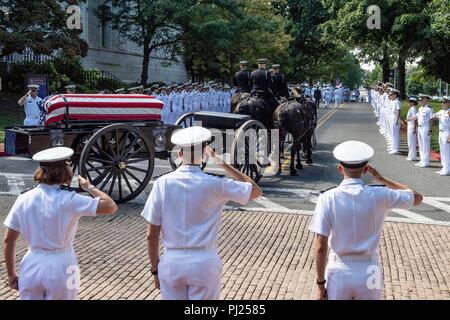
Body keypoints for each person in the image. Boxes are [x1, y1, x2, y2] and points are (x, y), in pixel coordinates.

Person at [141, 127, 262, 300]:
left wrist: (155, 269)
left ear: (180, 154)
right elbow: (256, 191)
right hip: (204, 261)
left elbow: (151, 236)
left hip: (172, 261)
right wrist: (222, 163)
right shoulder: (216, 184)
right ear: (204, 154)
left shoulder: (162, 183)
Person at [309, 140, 423, 300]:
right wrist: (383, 179)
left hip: (339, 269)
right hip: (370, 269)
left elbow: (320, 248)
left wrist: (321, 285)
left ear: (340, 169)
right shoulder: (381, 195)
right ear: (366, 169)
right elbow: (417, 197)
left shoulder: (327, 198)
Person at [3, 147, 118, 300]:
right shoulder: (70, 199)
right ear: (66, 171)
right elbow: (111, 206)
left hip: (31, 263)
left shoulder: (23, 198)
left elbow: (8, 240)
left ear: (41, 171)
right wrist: (89, 187)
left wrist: (11, 273)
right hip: (63, 264)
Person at [431, 96, 450, 175]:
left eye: (444, 102)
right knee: (442, 150)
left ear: (449, 103)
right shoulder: (441, 111)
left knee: (447, 151)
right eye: (442, 102)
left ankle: (448, 169)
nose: (443, 104)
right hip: (440, 133)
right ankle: (444, 167)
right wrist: (434, 116)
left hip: (447, 132)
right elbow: (434, 116)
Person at [414, 94, 434, 168]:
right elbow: (416, 117)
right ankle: (422, 160)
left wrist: (430, 129)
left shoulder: (429, 109)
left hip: (426, 128)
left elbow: (431, 119)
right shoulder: (420, 108)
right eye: (420, 99)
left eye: (422, 99)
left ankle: (426, 162)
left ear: (426, 100)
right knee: (421, 145)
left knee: (425, 145)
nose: (420, 100)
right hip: (419, 128)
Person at [387, 89, 401, 155]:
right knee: (392, 134)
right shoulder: (393, 101)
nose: (390, 96)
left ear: (395, 95)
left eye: (391, 95)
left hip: (395, 119)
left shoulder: (397, 101)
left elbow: (399, 111)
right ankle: (393, 148)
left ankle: (396, 149)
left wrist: (397, 120)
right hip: (392, 118)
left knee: (395, 135)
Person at [405, 97, 418, 161]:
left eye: (409, 102)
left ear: (413, 103)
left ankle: (413, 156)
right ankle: (410, 155)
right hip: (409, 125)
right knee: (410, 142)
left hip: (412, 126)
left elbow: (415, 119)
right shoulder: (411, 108)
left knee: (412, 142)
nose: (408, 103)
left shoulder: (413, 109)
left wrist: (414, 128)